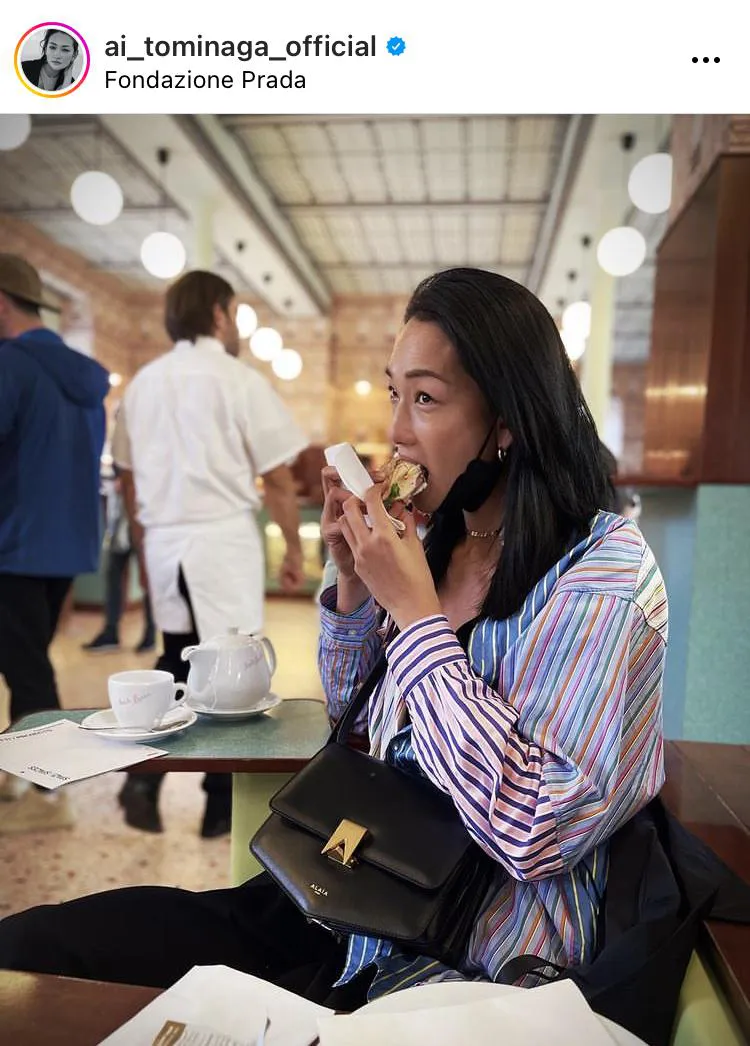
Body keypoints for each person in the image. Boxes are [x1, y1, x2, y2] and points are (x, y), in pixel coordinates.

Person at [0, 268, 668, 1012]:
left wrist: (417, 620)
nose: (397, 432)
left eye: (425, 398)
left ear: (508, 420)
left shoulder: (602, 571)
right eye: (394, 394)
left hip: (461, 962)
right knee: (33, 947)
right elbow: (358, 724)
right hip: (342, 899)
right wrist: (355, 593)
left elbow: (538, 829)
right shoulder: (441, 538)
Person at [110, 270, 309, 838]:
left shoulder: (143, 384)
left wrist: (147, 548)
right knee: (231, 670)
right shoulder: (236, 378)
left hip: (166, 540)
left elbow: (126, 478)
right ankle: (220, 802)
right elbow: (275, 475)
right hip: (222, 540)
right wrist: (292, 547)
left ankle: (143, 779)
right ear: (219, 314)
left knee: (177, 654)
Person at [0, 254, 108, 829]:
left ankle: (47, 792)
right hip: (66, 543)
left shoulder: (11, 365)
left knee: (26, 669)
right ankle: (24, 772)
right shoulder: (84, 375)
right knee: (27, 659)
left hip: (13, 543)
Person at [82, 464, 156, 654]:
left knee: (147, 578)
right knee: (113, 573)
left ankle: (150, 634)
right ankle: (111, 631)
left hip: (145, 519)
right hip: (121, 519)